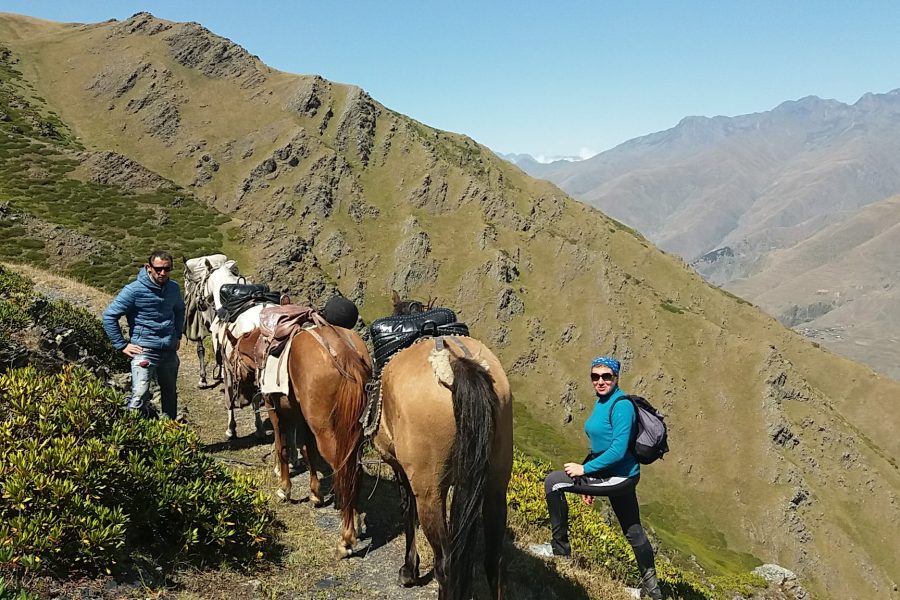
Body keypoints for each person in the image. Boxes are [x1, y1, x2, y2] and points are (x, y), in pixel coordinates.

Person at [530, 356, 663, 600]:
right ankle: (653, 591)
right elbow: (600, 446)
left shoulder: (621, 405)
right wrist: (589, 469)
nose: (600, 381)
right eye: (595, 376)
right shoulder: (603, 402)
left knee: (554, 482)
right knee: (633, 531)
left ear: (616, 377)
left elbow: (617, 450)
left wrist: (585, 471)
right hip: (616, 476)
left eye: (606, 376)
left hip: (620, 476)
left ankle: (560, 552)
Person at [102, 251, 185, 420]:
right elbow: (109, 316)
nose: (163, 273)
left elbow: (179, 310)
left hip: (169, 351)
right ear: (149, 268)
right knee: (140, 394)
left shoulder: (174, 288)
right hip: (144, 350)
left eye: (167, 269)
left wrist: (177, 335)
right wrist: (122, 345)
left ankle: (170, 436)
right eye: (159, 269)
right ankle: (131, 434)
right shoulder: (133, 290)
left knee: (170, 394)